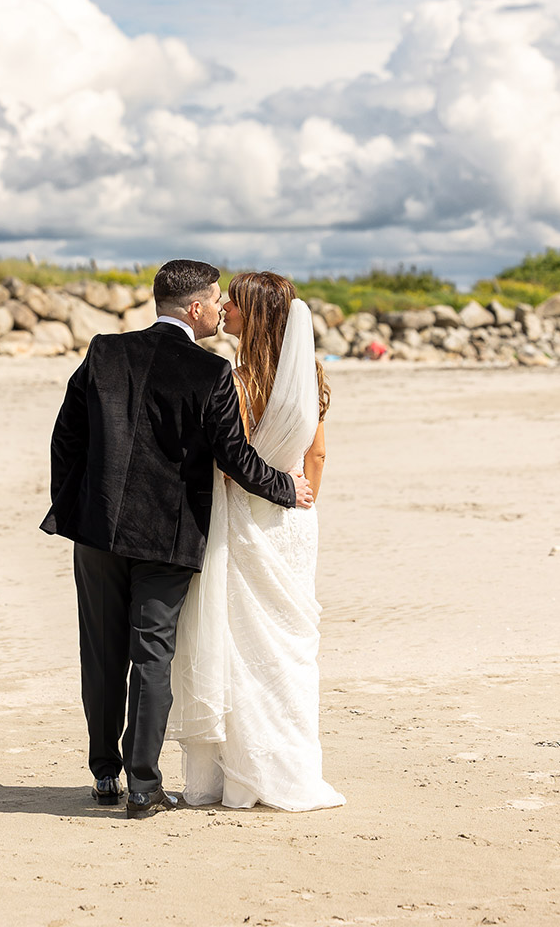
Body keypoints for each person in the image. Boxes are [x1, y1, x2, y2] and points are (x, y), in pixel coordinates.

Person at [39, 260, 314, 819]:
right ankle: (144, 787)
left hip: (95, 531)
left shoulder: (103, 352)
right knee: (151, 658)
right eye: (215, 300)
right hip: (167, 538)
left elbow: (66, 436)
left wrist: (75, 503)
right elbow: (233, 457)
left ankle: (103, 774)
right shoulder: (209, 372)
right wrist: (287, 488)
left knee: (101, 655)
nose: (219, 309)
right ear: (195, 310)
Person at [168, 271, 345, 811]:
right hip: (294, 519)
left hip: (243, 519)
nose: (226, 311)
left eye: (236, 305)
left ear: (257, 316)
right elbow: (315, 456)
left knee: (238, 642)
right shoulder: (308, 374)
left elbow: (228, 460)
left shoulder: (234, 380)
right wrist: (303, 499)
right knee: (289, 646)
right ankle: (287, 769)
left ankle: (236, 778)